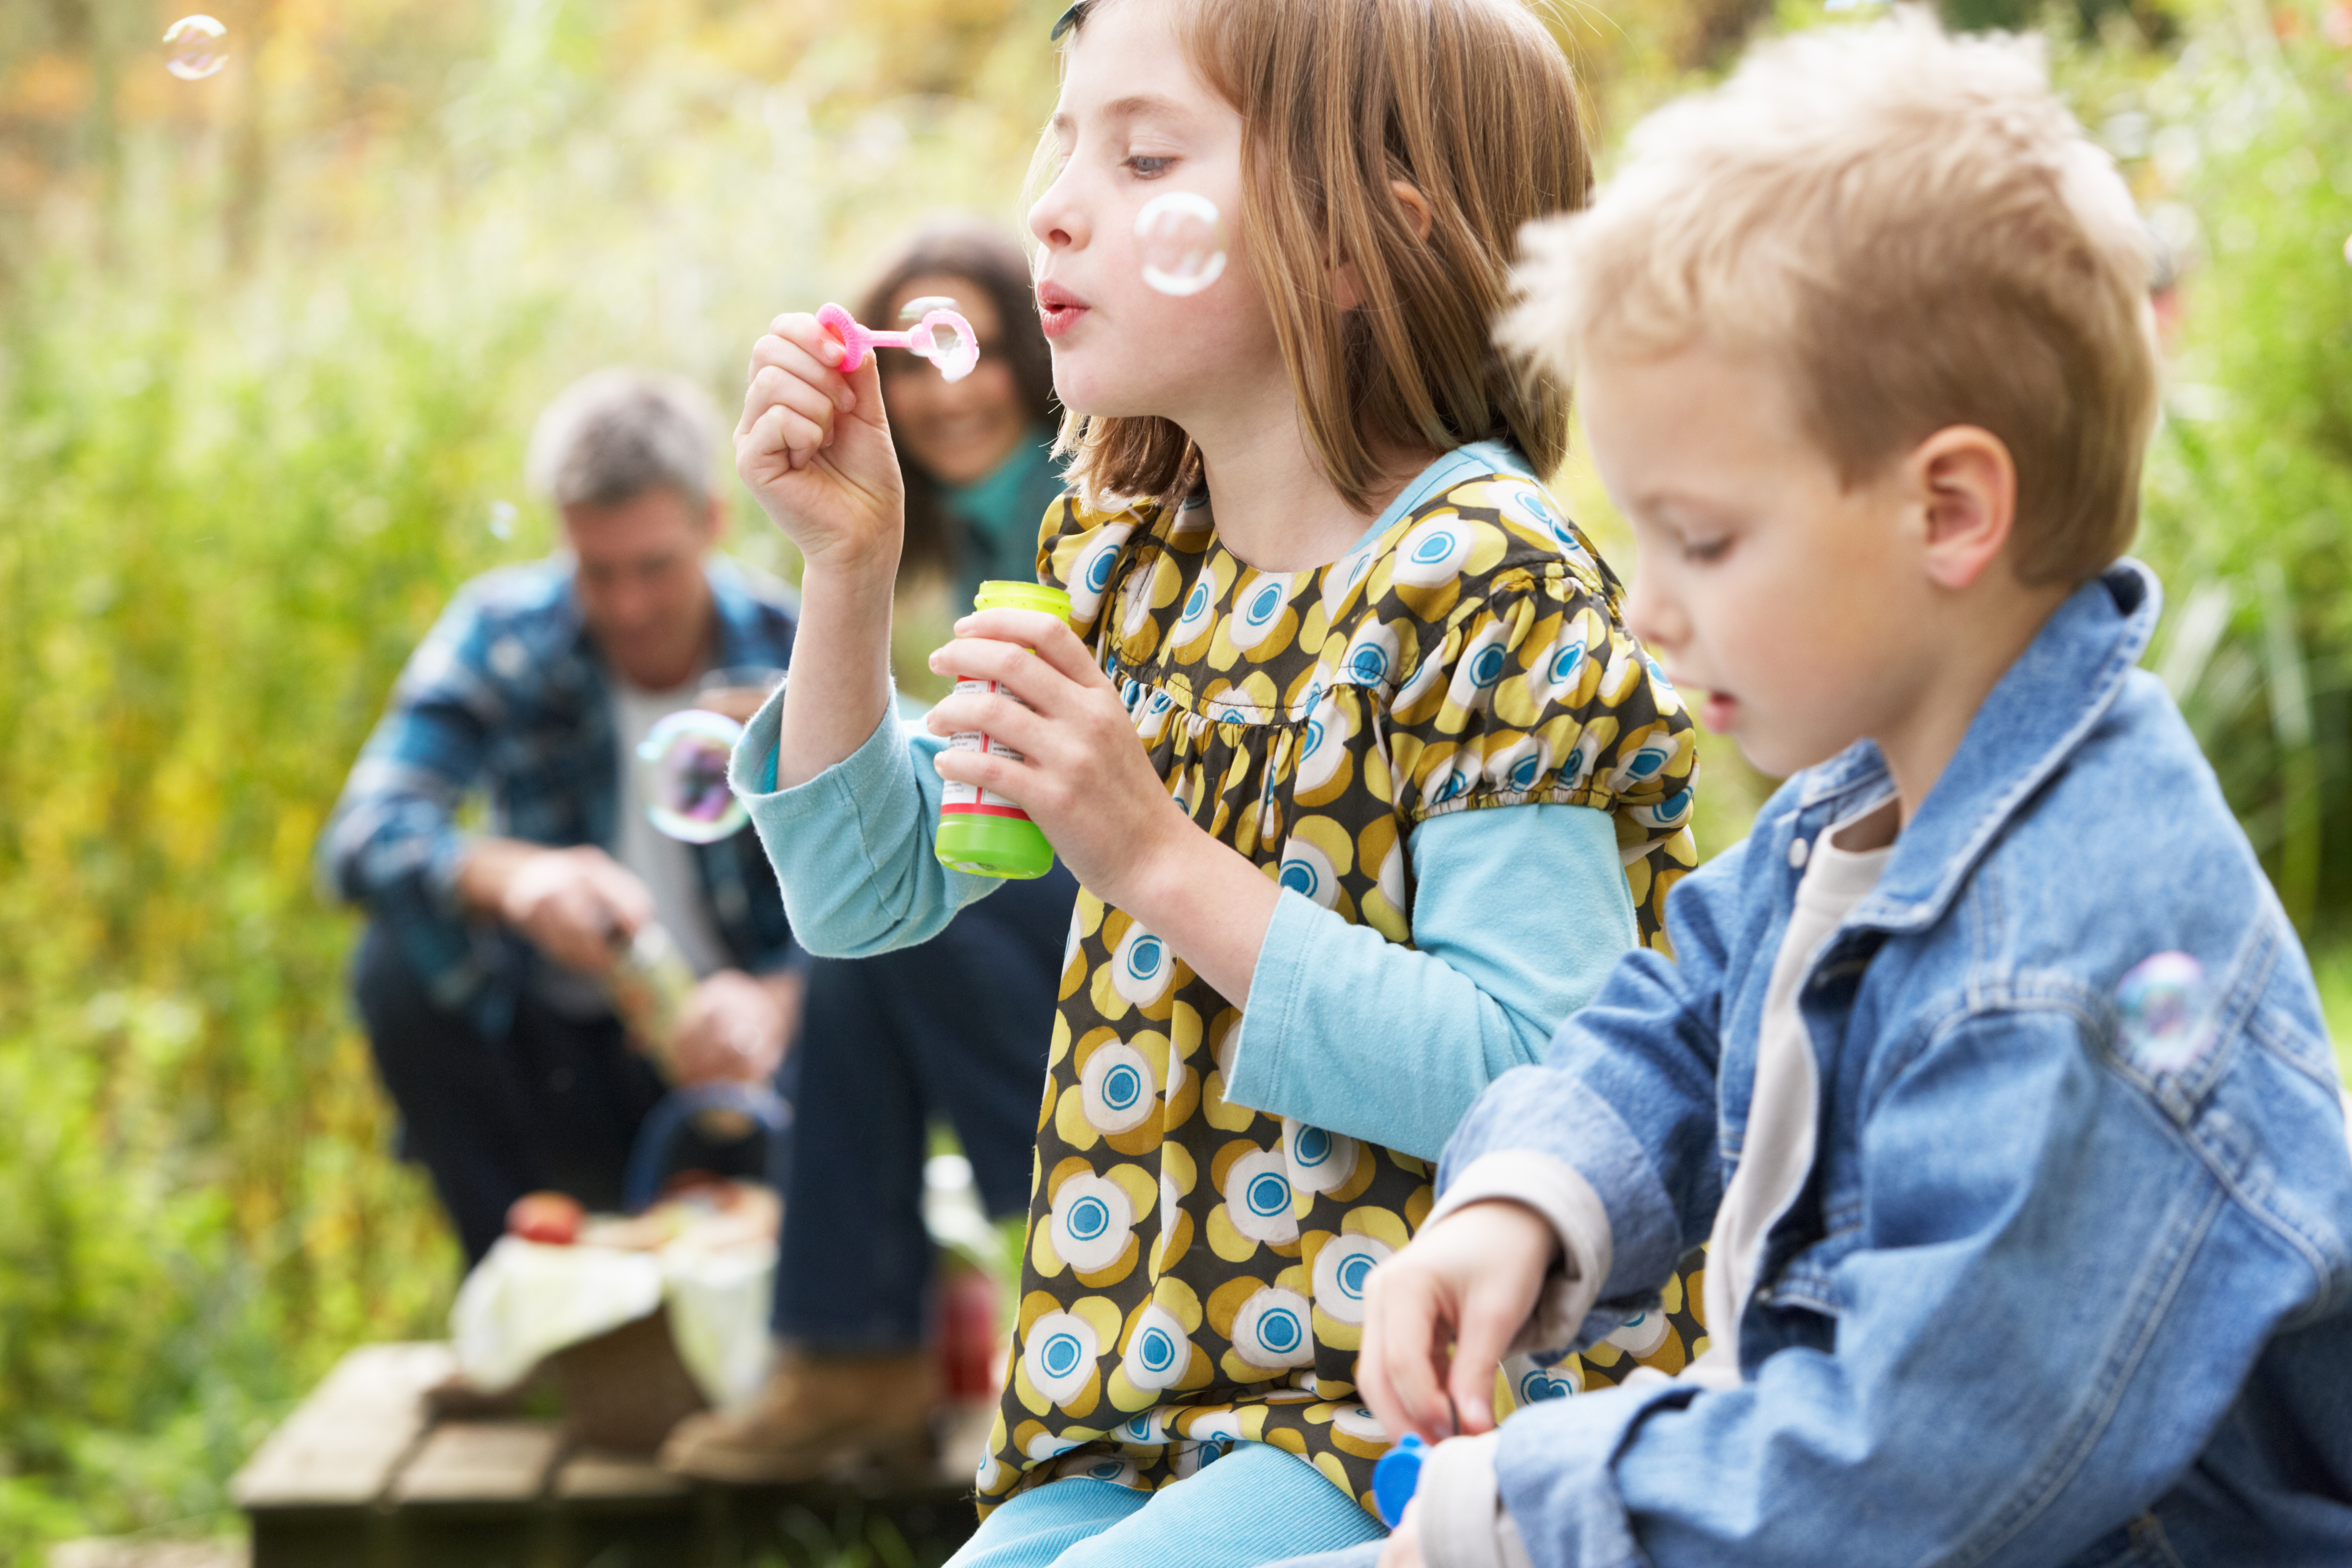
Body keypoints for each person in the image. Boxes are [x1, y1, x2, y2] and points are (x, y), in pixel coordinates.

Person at [1317, 16, 2352, 1568]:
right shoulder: (1864, 802)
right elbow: (1685, 1007)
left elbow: (1897, 1473)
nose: (1648, 608)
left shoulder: (2062, 963)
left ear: (1949, 511)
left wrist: (1506, 1515)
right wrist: (1524, 1197)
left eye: (1704, 541)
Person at [719, 0, 1700, 1562]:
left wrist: (1154, 856)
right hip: (1136, 1403)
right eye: (1062, 140)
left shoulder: (1483, 585)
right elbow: (865, 897)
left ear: (1357, 244)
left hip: (1425, 1411)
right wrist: (849, 565)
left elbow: (1545, 1077)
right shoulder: (1127, 564)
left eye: (1143, 157)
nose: (1053, 205)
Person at [663, 225, 1082, 1484]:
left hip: (1129, 881)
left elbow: (1049, 748)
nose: (950, 391)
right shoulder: (960, 530)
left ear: (1034, 356)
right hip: (1063, 865)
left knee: (892, 930)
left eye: (979, 349)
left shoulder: (1076, 499)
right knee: (854, 944)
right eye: (920, 360)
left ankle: (905, 1330)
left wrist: (854, 735)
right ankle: (885, 1339)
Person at [321, 368, 805, 1266]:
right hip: (556, 1058)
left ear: (712, 519)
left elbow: (893, 881)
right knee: (394, 964)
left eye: (653, 567)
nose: (627, 606)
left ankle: (824, 1288)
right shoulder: (503, 633)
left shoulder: (797, 647)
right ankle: (506, 1277)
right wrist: (513, 878)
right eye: (596, 570)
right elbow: (361, 834)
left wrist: (781, 1001)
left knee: (852, 1006)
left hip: (750, 1067)